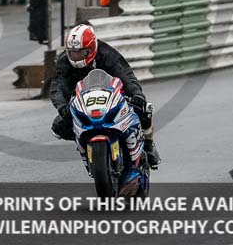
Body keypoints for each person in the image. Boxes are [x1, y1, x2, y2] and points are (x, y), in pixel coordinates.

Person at [50, 23, 161, 169]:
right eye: (72, 52)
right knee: (58, 126)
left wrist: (136, 94)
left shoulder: (107, 54)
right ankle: (84, 142)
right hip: (83, 99)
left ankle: (148, 144)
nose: (76, 57)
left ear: (91, 48)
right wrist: (62, 106)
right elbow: (58, 85)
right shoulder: (64, 61)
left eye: (81, 52)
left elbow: (125, 74)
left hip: (111, 96)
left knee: (144, 109)